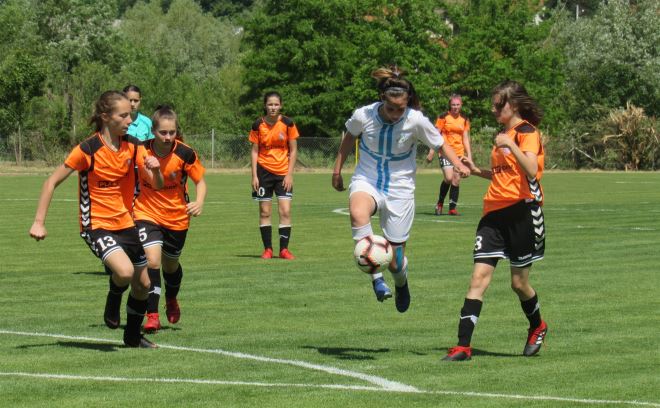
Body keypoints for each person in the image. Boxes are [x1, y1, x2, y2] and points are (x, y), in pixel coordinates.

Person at [29, 90, 163, 348]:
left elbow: (156, 184)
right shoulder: (87, 149)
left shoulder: (134, 145)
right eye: (123, 116)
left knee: (144, 284)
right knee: (124, 272)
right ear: (105, 117)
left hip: (126, 223)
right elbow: (51, 182)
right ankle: (114, 296)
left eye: (130, 115)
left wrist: (156, 171)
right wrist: (39, 221)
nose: (129, 120)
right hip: (96, 225)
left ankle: (132, 337)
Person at [332, 66, 470, 313]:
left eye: (401, 109)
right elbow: (349, 138)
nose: (396, 114)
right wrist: (337, 170)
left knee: (396, 262)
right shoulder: (363, 115)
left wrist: (458, 164)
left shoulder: (416, 120)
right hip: (367, 179)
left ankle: (401, 283)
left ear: (408, 103)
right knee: (357, 212)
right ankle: (377, 279)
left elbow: (440, 144)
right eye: (391, 108)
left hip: (401, 188)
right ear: (382, 99)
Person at [443, 80, 547, 361]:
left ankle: (537, 326)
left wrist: (510, 144)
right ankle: (463, 346)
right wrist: (477, 170)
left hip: (522, 213)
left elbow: (530, 170)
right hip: (493, 214)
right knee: (478, 278)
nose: (493, 109)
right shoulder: (504, 135)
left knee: (518, 284)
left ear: (513, 105)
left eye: (498, 105)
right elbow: (504, 174)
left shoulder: (527, 132)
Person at [135, 106, 207, 332]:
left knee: (170, 265)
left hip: (177, 218)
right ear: (153, 131)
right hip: (146, 213)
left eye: (172, 132)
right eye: (163, 132)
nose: (167, 137)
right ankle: (152, 315)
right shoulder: (140, 150)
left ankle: (172, 298)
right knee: (152, 261)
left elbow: (200, 181)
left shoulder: (185, 153)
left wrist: (199, 201)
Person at [249, 91, 299, 260]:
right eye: (270, 104)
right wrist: (254, 176)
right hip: (263, 172)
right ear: (265, 105)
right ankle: (268, 249)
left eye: (276, 104)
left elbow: (294, 150)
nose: (273, 107)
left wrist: (290, 174)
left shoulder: (288, 123)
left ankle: (284, 250)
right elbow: (254, 151)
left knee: (285, 211)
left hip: (283, 173)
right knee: (265, 212)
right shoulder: (258, 125)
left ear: (280, 105)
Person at [426, 94, 472, 215]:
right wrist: (431, 152)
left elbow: (465, 138)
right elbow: (435, 135)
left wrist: (469, 155)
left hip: (459, 153)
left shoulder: (464, 119)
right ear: (450, 105)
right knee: (449, 178)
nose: (455, 107)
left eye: (457, 104)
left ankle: (452, 208)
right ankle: (440, 203)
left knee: (456, 179)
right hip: (445, 152)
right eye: (453, 105)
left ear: (461, 105)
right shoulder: (443, 117)